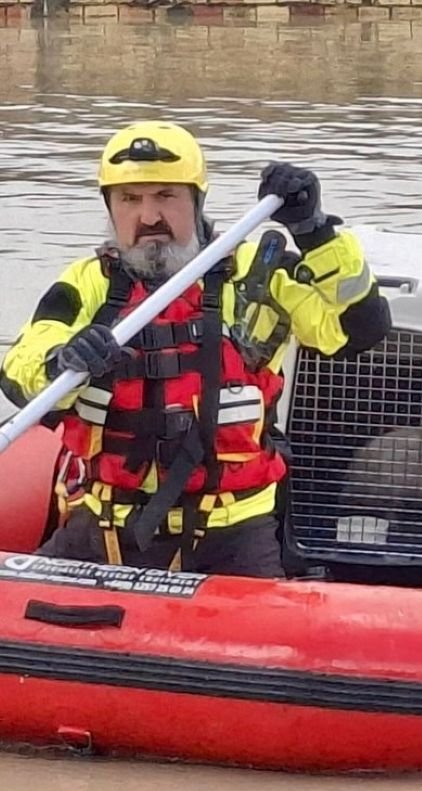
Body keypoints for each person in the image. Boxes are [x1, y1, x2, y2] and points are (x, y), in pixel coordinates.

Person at [0, 121, 391, 577]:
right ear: (110, 208)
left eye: (166, 196)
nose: (148, 217)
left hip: (233, 531)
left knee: (268, 640)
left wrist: (316, 235)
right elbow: (21, 367)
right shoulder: (88, 284)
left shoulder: (255, 276)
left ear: (196, 201)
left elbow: (358, 328)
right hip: (105, 524)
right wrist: (62, 360)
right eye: (130, 200)